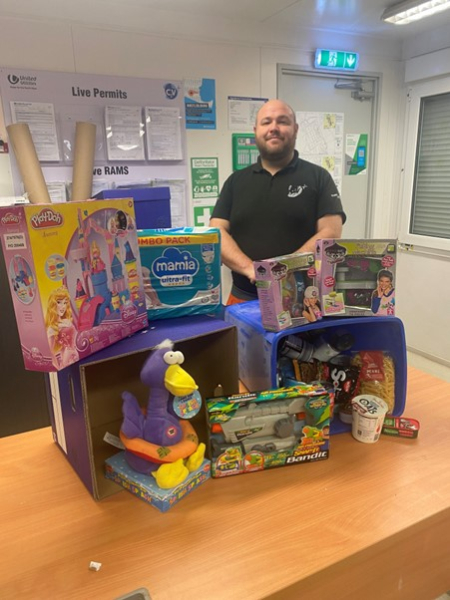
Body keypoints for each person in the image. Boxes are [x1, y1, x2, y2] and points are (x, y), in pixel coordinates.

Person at [210, 99, 346, 304]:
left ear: (296, 129)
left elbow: (331, 231)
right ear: (256, 131)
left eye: (282, 121)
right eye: (266, 122)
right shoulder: (235, 181)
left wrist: (285, 269)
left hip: (301, 298)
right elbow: (216, 231)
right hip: (243, 297)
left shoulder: (319, 177)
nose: (274, 128)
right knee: (235, 338)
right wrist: (251, 269)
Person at [45, 286, 79, 369]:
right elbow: (50, 352)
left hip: (77, 354)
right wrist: (58, 368)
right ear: (53, 304)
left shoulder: (67, 320)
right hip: (66, 359)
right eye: (59, 302)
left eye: (65, 302)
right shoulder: (52, 328)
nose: (63, 306)